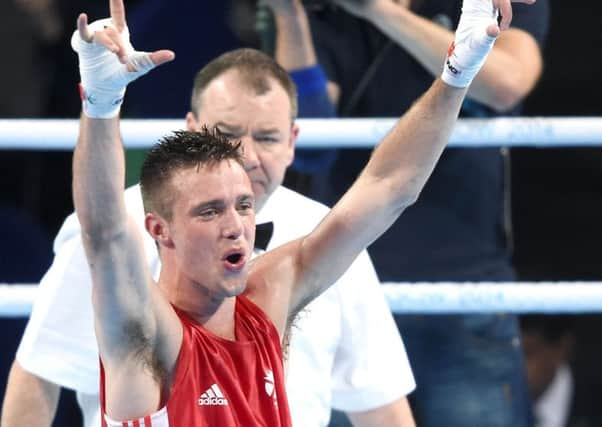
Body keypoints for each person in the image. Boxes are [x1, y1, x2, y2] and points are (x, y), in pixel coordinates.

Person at [5, 0, 527, 424]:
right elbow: (103, 235)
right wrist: (99, 105)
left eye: (243, 206)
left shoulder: (271, 296)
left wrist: (457, 72)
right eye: (209, 211)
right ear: (159, 230)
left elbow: (388, 185)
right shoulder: (142, 331)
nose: (235, 225)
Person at [261, 0, 549, 425]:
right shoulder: (323, 12)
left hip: (466, 281)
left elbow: (507, 83)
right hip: (346, 279)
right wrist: (289, 17)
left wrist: (379, 11)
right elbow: (309, 142)